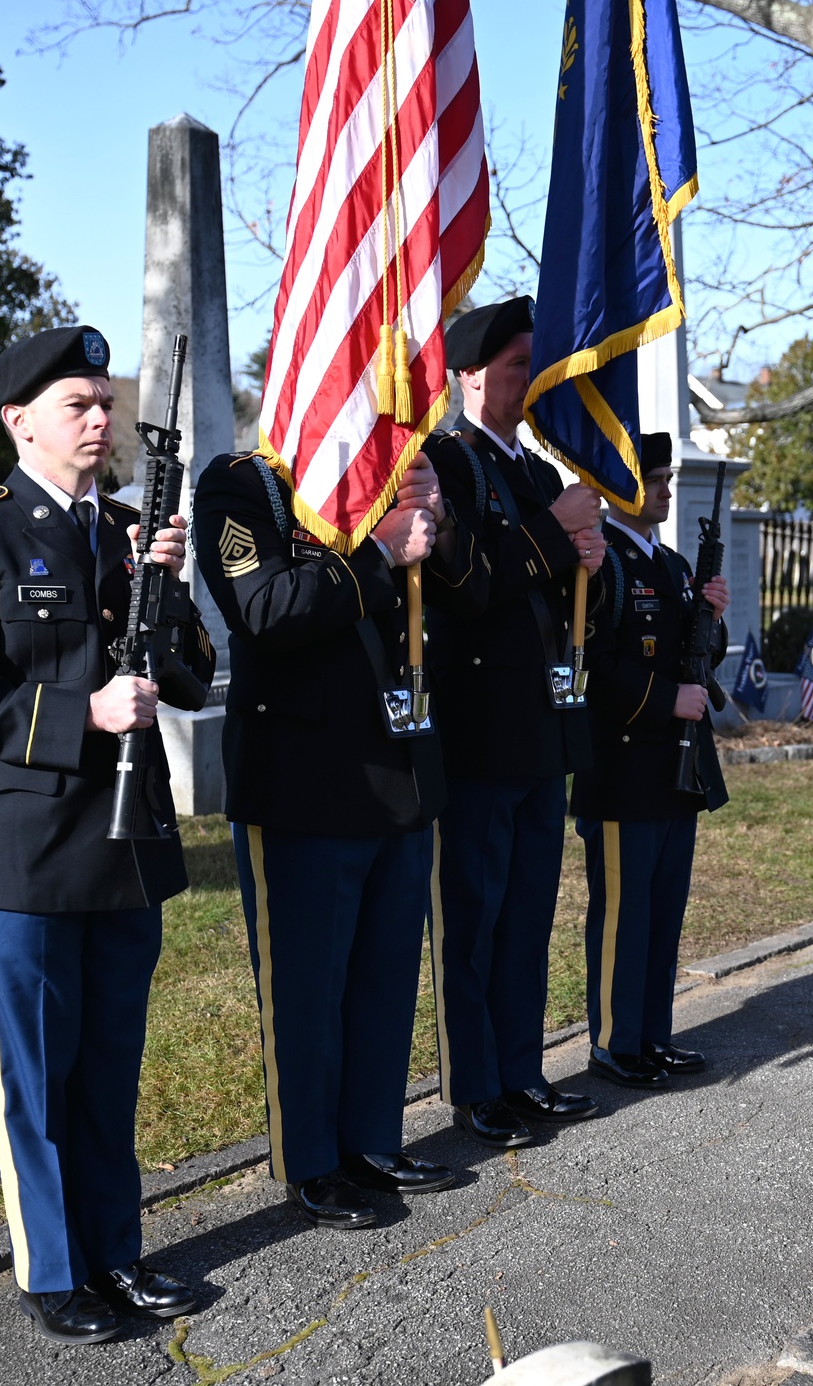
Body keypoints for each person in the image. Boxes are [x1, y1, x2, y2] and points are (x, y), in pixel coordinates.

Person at [0, 326, 209, 1345]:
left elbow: (196, 679)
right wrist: (84, 710)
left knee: (110, 1064)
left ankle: (116, 1253)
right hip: (22, 853)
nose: (98, 419)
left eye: (103, 403)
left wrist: (165, 588)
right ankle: (50, 1269)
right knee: (33, 1076)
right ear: (17, 419)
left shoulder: (130, 526)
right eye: (76, 403)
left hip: (123, 845)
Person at [190, 445, 481, 1229]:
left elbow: (468, 597)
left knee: (385, 976)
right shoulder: (244, 484)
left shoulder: (396, 467)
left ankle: (373, 1139)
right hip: (304, 778)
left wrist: (437, 520)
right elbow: (266, 609)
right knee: (307, 988)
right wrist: (380, 549)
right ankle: (312, 1161)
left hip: (399, 763)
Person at [423, 297, 606, 1148]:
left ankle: (523, 1071)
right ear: (466, 376)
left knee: (530, 911)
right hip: (480, 727)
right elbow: (463, 580)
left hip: (543, 726)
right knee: (475, 914)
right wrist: (554, 532)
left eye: (530, 361)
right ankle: (475, 1086)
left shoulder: (536, 472)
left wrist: (590, 558)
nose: (526, 375)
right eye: (511, 364)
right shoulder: (444, 463)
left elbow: (566, 600)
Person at [570, 432, 729, 1088]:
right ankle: (613, 1042)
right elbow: (595, 668)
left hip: (675, 770)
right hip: (623, 768)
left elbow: (698, 657)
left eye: (667, 476)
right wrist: (669, 700)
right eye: (655, 477)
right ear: (619, 485)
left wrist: (711, 619)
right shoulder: (601, 564)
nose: (666, 489)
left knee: (664, 912)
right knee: (624, 912)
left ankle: (653, 1035)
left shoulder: (668, 564)